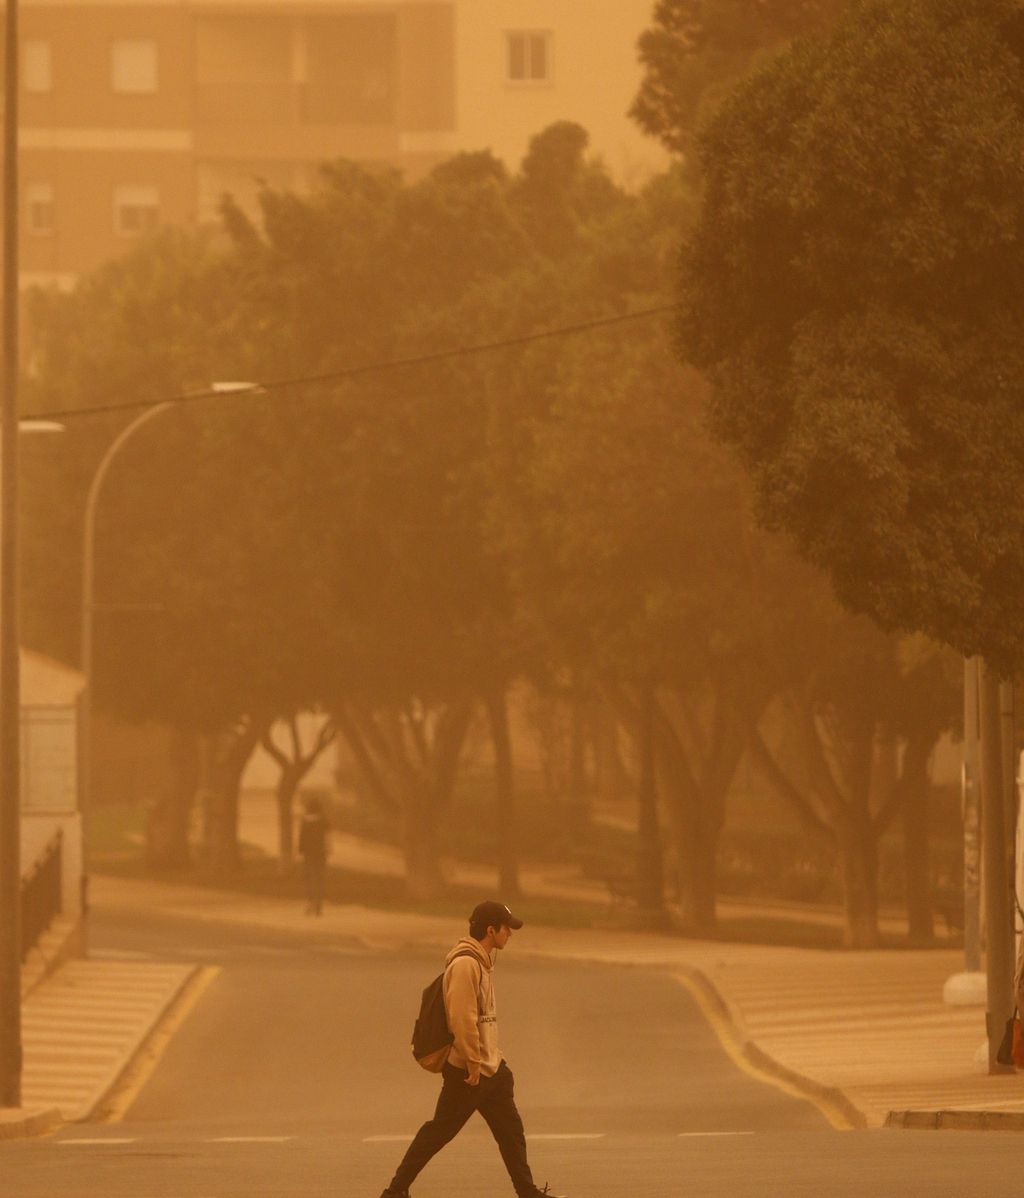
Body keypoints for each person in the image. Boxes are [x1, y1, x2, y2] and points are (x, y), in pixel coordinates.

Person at [378, 901, 566, 1198]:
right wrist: (474, 1062)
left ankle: (527, 1191)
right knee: (439, 1132)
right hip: (469, 1071)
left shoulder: (482, 962)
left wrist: (494, 1058)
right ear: (491, 930)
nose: (510, 934)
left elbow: (482, 1018)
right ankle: (395, 1191)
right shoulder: (466, 964)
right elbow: (462, 1018)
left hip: (491, 1069)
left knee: (511, 1132)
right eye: (507, 929)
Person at [297, 796, 329, 916]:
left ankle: (309, 903)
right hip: (320, 853)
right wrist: (328, 850)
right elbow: (327, 837)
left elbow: (301, 838)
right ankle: (319, 905)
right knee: (319, 878)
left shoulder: (305, 822)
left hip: (308, 854)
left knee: (308, 878)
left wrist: (300, 851)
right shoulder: (324, 821)